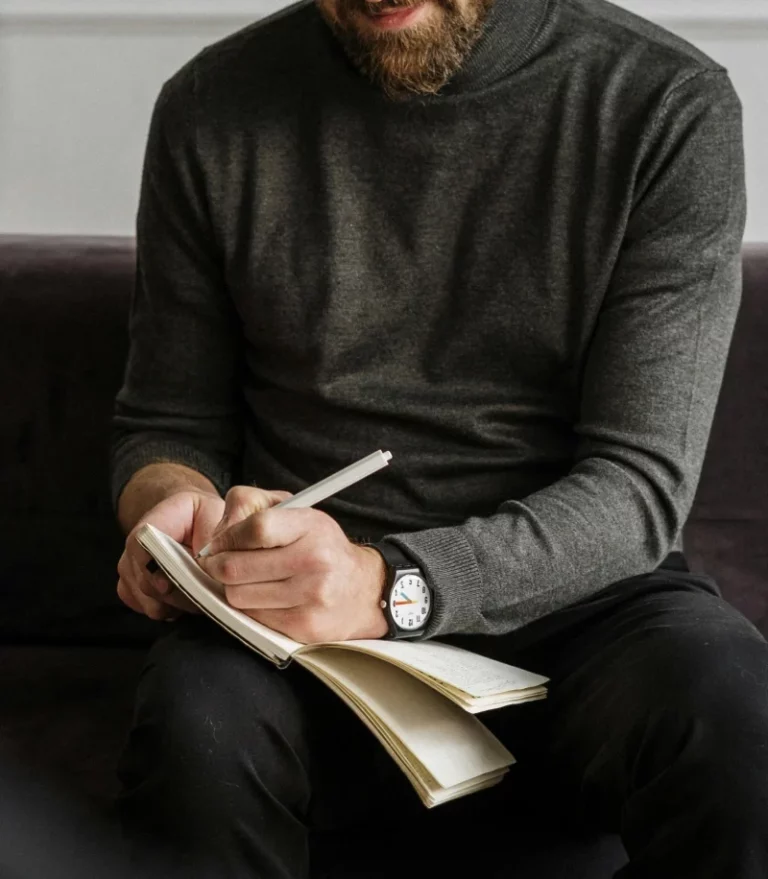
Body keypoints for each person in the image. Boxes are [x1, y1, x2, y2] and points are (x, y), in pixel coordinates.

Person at [111, 0, 766, 876]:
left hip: (583, 605)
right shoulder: (209, 105)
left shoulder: (664, 103)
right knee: (195, 720)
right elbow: (169, 421)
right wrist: (174, 516)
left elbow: (638, 485)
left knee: (734, 708)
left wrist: (390, 587)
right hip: (299, 625)